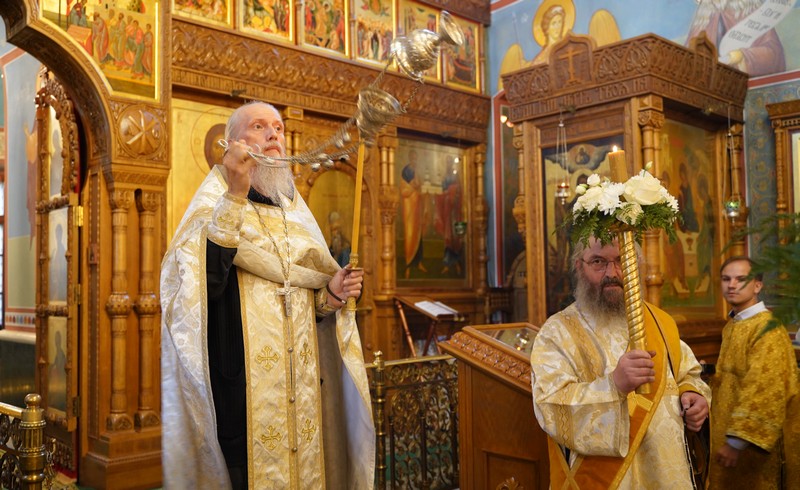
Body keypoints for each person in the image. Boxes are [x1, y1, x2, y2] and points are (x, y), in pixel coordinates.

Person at [161, 101, 375, 489]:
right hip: (241, 395)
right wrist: (236, 194)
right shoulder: (212, 206)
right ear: (231, 144)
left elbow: (305, 300)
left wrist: (331, 294)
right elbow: (202, 289)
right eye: (259, 126)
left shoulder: (295, 214)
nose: (274, 134)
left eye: (278, 127)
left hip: (302, 390)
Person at [530, 236, 711, 488]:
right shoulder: (557, 332)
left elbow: (687, 374)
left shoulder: (660, 322)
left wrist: (694, 395)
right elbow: (550, 406)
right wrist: (613, 385)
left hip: (667, 473)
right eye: (598, 262)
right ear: (579, 266)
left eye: (621, 260)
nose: (612, 273)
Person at [709, 256, 798, 489]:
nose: (732, 285)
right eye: (726, 279)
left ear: (757, 286)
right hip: (726, 434)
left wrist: (736, 442)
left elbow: (765, 387)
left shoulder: (767, 328)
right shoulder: (733, 325)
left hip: (751, 447)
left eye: (741, 279)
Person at [400, 149, 426, 279]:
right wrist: (413, 187)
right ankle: (408, 265)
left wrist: (419, 188)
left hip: (417, 207)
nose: (414, 160)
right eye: (413, 158)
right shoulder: (405, 171)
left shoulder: (418, 171)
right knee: (410, 235)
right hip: (409, 206)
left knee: (418, 234)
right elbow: (404, 188)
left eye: (416, 158)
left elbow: (421, 186)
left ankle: (419, 262)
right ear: (410, 158)